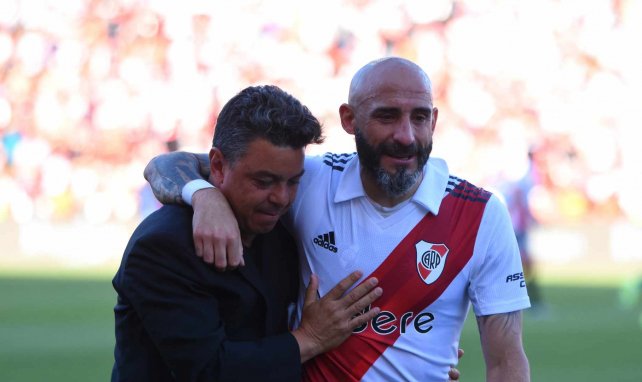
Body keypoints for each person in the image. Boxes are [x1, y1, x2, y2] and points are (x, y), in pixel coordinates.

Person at [144, 57, 529, 381]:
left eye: (420, 117)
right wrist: (205, 194)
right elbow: (167, 166)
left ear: (434, 120)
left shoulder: (480, 215)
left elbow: (507, 362)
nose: (406, 135)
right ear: (350, 119)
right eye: (387, 116)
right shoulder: (307, 182)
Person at [112, 85, 386, 381]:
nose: (281, 198)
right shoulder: (163, 246)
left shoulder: (283, 226)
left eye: (294, 181)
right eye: (264, 181)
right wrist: (310, 338)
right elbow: (209, 371)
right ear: (217, 166)